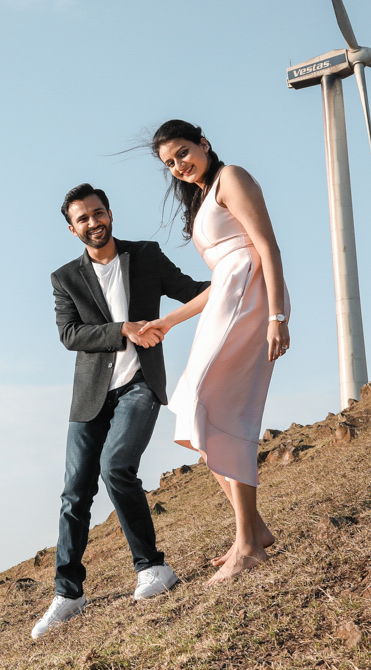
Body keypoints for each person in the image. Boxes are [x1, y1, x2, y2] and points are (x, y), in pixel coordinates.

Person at [31, 183, 210, 639]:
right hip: (90, 396)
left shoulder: (145, 256)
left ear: (110, 213)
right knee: (74, 494)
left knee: (116, 467)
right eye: (83, 219)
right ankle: (68, 594)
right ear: (72, 230)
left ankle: (153, 568)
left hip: (139, 386)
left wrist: (237, 275)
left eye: (98, 213)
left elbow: (190, 290)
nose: (94, 223)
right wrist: (122, 329)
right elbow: (70, 334)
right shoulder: (64, 278)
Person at [139, 119, 290, 585]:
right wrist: (168, 320)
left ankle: (249, 544)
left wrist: (278, 316)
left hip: (250, 299)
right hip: (228, 296)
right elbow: (222, 274)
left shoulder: (232, 178)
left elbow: (265, 246)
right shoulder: (204, 197)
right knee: (191, 404)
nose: (179, 166)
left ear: (203, 144)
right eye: (170, 163)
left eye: (183, 153)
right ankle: (252, 530)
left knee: (211, 405)